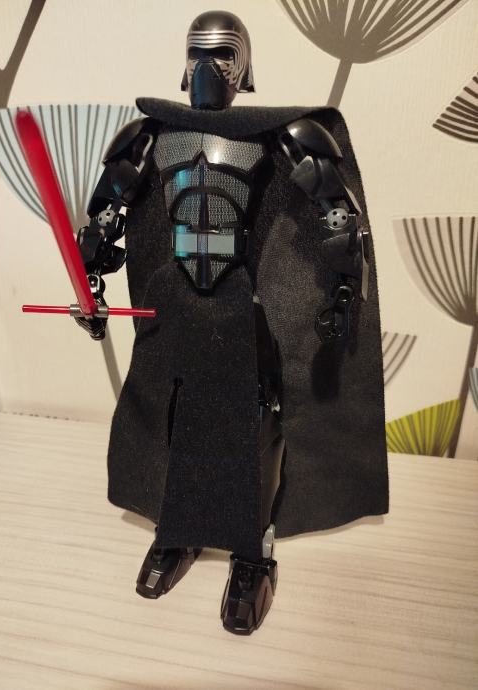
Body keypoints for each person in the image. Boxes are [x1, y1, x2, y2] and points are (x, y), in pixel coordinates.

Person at [75, 10, 388, 635]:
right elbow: (108, 212)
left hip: (245, 299)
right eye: (197, 54)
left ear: (243, 66)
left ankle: (251, 551)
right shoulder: (149, 137)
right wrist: (92, 267)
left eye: (220, 56)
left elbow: (336, 215)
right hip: (178, 298)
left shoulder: (284, 135)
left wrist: (341, 285)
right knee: (172, 413)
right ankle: (178, 529)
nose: (206, 69)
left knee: (256, 419)